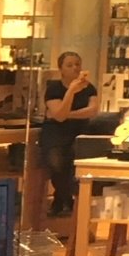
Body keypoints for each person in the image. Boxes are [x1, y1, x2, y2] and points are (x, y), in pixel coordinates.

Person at [37, 50, 97, 220]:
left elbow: (92, 110)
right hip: (55, 132)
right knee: (56, 162)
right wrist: (71, 91)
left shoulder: (89, 88)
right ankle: (66, 199)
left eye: (77, 64)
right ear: (61, 69)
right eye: (69, 65)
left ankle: (61, 200)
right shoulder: (54, 88)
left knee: (74, 163)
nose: (75, 68)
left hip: (79, 131)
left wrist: (66, 114)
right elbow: (59, 117)